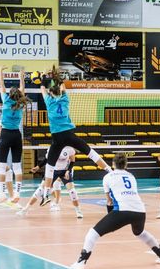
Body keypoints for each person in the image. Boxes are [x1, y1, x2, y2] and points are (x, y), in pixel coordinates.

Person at [70, 153, 160, 269]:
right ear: (126, 165)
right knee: (140, 233)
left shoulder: (108, 177)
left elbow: (109, 201)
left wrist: (111, 219)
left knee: (92, 234)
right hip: (140, 211)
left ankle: (81, 262)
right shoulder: (131, 176)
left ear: (113, 164)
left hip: (122, 211)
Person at [37, 69, 111, 206]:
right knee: (90, 152)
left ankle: (46, 194)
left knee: (50, 166)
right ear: (59, 92)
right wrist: (56, 76)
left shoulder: (49, 101)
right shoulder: (65, 99)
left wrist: (43, 77)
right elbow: (62, 86)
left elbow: (42, 88)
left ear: (51, 93)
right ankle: (109, 171)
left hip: (57, 138)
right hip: (69, 134)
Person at [17, 146, 83, 218]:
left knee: (72, 191)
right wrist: (38, 167)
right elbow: (47, 159)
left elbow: (72, 161)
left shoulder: (69, 149)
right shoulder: (52, 148)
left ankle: (78, 211)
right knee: (40, 190)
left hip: (64, 171)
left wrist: (68, 171)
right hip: (53, 171)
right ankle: (25, 209)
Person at [0, 66, 29, 207]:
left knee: (2, 165)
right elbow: (22, 87)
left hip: (5, 134)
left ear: (9, 94)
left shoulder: (6, 101)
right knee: (17, 166)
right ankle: (17, 193)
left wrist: (0, 71)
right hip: (16, 135)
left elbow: (1, 84)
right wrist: (22, 75)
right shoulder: (21, 103)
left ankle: (2, 193)